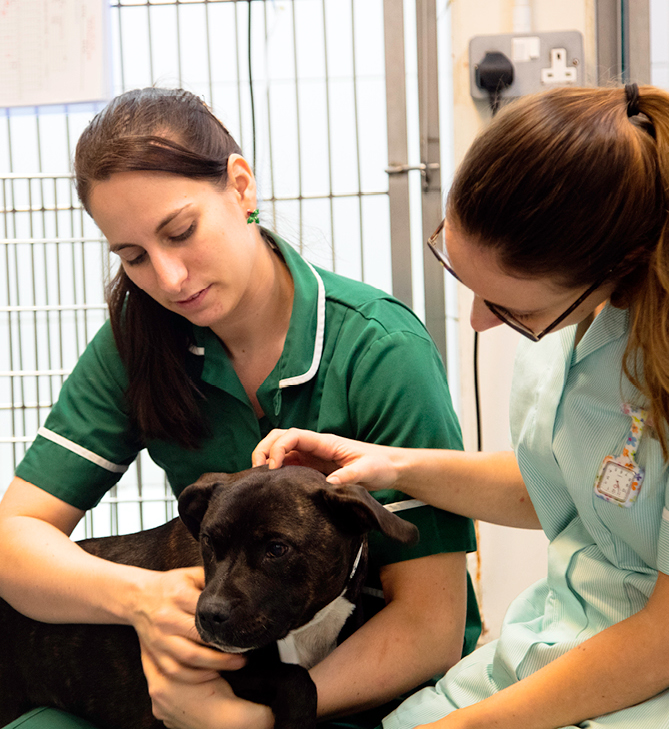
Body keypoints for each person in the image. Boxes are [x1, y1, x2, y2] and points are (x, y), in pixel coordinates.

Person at [253, 83, 669, 728]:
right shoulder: (577, 309)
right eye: (465, 280)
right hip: (562, 635)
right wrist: (392, 466)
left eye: (513, 310)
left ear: (619, 265)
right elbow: (567, 484)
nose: (479, 321)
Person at [0, 88, 479, 729]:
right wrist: (141, 597)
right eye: (133, 256)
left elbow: (431, 626)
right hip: (216, 670)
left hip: (367, 683)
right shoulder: (138, 342)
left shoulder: (379, 349)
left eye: (181, 232)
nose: (169, 279)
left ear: (241, 186)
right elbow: (13, 541)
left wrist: (258, 719)